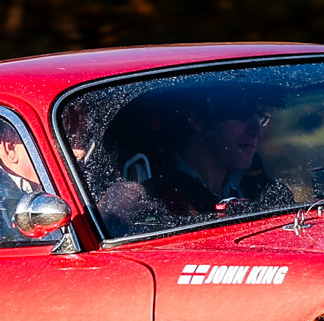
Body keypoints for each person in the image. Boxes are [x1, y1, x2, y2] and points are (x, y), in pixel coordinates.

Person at [95, 84, 272, 227]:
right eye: (242, 116)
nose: (257, 131)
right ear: (197, 120)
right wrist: (108, 212)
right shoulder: (150, 192)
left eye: (261, 118)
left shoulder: (260, 184)